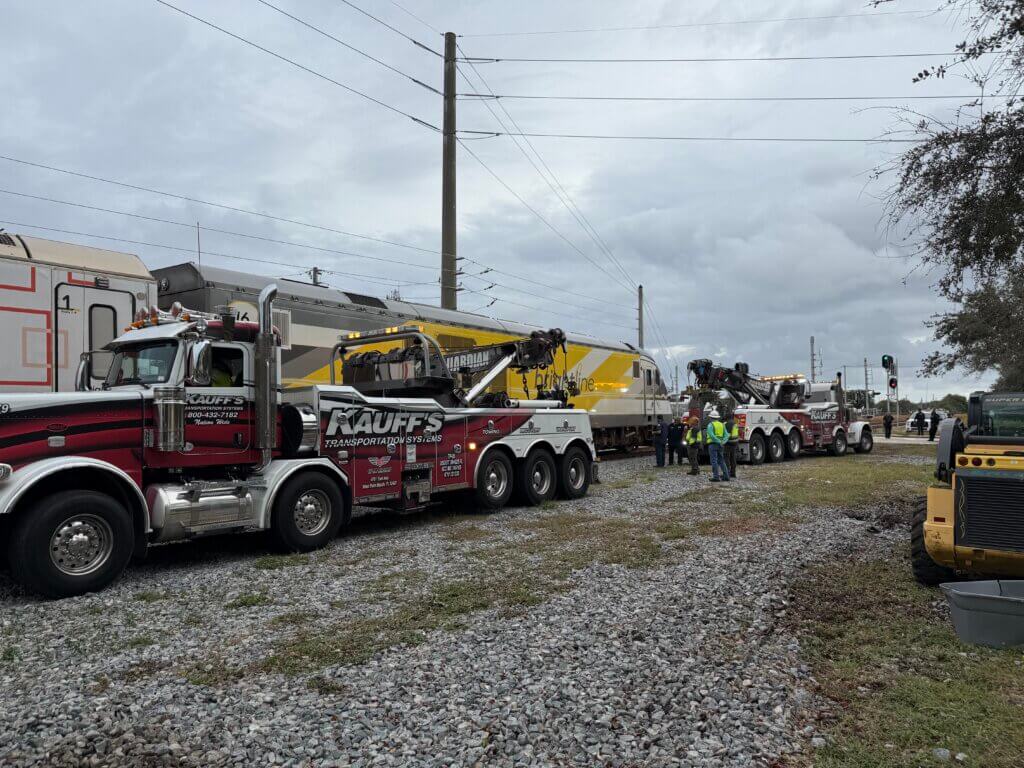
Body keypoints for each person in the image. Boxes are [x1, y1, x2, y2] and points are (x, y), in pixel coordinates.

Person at [705, 410, 731, 482]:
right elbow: (727, 435)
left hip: (713, 444)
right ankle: (726, 476)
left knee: (714, 461)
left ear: (711, 418)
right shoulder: (722, 424)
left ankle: (716, 477)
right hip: (721, 445)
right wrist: (722, 442)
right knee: (721, 461)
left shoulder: (710, 425)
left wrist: (718, 441)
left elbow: (712, 436)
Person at [724, 410, 739, 479]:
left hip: (729, 442)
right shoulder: (734, 423)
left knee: (726, 458)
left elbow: (727, 435)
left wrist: (722, 441)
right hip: (735, 442)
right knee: (733, 458)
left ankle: (727, 473)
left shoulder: (728, 424)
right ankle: (733, 473)